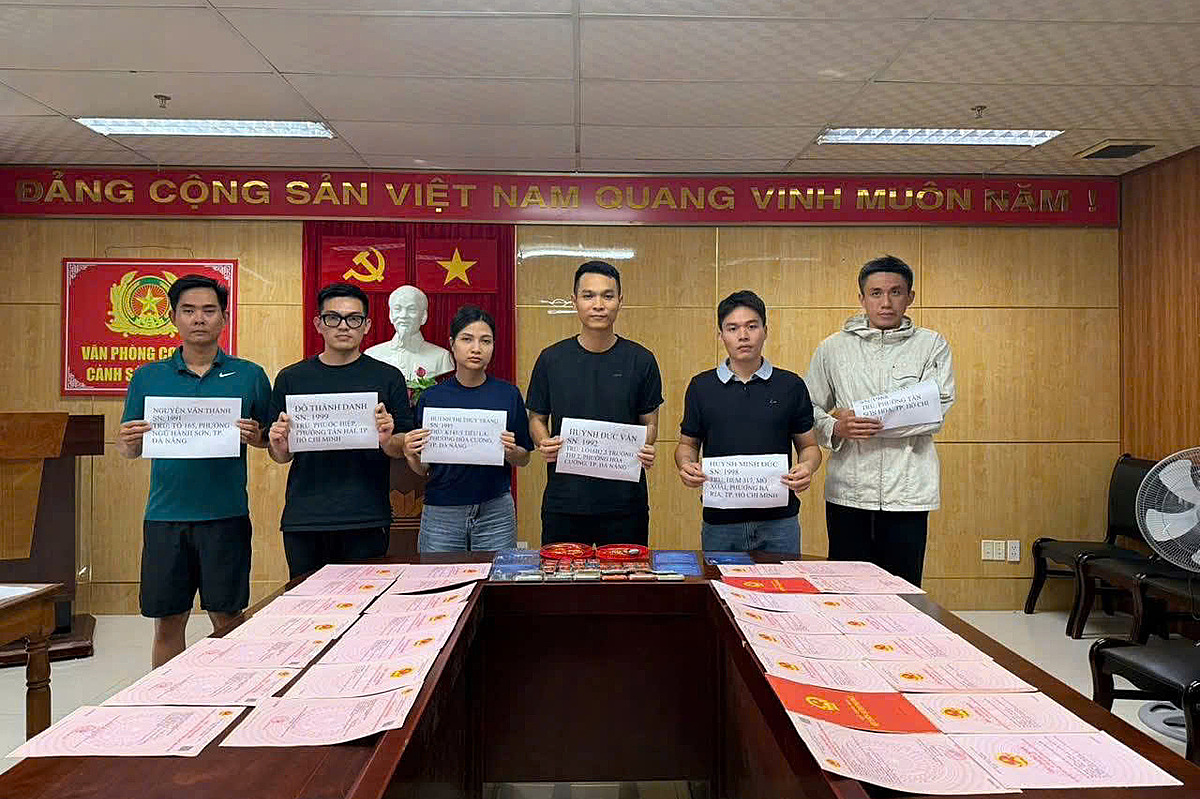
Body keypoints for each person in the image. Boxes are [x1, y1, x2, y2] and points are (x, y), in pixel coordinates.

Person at [116, 274, 271, 667]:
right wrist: (128, 442)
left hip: (226, 515)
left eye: (208, 310)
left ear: (224, 318)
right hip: (165, 517)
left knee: (228, 619)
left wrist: (255, 435)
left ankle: (231, 694)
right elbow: (129, 449)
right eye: (188, 310)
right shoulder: (148, 376)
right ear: (173, 317)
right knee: (168, 621)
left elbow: (270, 441)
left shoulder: (250, 375)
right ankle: (168, 700)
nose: (198, 318)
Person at [805, 255, 956, 585]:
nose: (886, 302)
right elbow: (808, 409)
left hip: (909, 492)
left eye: (895, 292)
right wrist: (836, 426)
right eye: (876, 293)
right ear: (861, 298)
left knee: (903, 588)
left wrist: (864, 419)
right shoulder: (832, 348)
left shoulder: (932, 345)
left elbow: (936, 409)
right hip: (848, 490)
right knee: (847, 588)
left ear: (910, 297)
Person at [267, 283, 413, 579]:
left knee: (365, 599)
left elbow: (402, 446)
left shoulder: (387, 377)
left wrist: (387, 439)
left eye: (354, 318)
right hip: (305, 517)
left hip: (366, 515)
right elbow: (280, 455)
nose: (343, 326)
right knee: (306, 602)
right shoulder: (292, 378)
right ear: (318, 324)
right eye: (333, 318)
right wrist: (279, 445)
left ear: (367, 325)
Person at [526, 261, 662, 546]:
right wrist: (543, 441)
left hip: (626, 504)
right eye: (588, 295)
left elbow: (649, 422)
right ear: (574, 300)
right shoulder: (551, 359)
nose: (598, 305)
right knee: (562, 575)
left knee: (626, 575)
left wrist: (646, 446)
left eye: (607, 296)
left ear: (620, 301)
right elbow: (537, 417)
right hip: (565, 503)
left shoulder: (642, 360)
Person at [675, 291, 821, 553]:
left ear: (765, 331)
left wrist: (807, 467)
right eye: (733, 328)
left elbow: (809, 446)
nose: (743, 335)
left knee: (784, 581)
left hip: (780, 522)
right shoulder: (701, 387)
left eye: (752, 326)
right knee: (718, 581)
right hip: (720, 523)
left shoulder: (790, 385)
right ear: (721, 335)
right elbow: (687, 445)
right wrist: (686, 465)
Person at [402, 305, 533, 552]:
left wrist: (511, 451)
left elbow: (524, 457)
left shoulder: (508, 394)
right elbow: (423, 468)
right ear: (452, 344)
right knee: (439, 575)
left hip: (495, 510)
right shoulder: (432, 398)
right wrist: (410, 454)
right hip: (442, 511)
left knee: (495, 575)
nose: (476, 348)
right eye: (467, 339)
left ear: (493, 346)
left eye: (486, 341)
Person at [363, 284, 454, 382]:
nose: (403, 315)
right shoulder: (372, 355)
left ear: (424, 316)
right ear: (391, 315)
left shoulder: (442, 358)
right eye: (398, 309)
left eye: (411, 309)